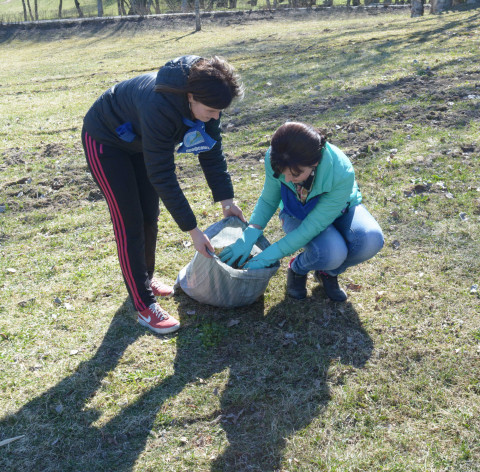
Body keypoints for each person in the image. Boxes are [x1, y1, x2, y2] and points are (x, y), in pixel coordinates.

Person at [81, 55, 245, 335]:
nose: (216, 116)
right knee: (129, 222)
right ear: (190, 97)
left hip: (140, 140)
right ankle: (144, 305)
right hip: (106, 141)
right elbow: (163, 176)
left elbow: (210, 150)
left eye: (220, 111)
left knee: (149, 215)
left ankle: (144, 277)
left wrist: (226, 199)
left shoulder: (210, 98)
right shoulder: (159, 106)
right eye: (211, 110)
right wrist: (193, 231)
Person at [220, 122, 384, 302]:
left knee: (370, 240)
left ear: (314, 163)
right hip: (296, 211)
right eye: (283, 173)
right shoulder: (277, 156)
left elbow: (312, 226)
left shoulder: (341, 172)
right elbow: (269, 199)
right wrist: (250, 232)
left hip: (340, 209)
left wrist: (274, 252)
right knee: (332, 253)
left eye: (296, 174)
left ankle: (327, 272)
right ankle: (299, 268)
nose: (288, 179)